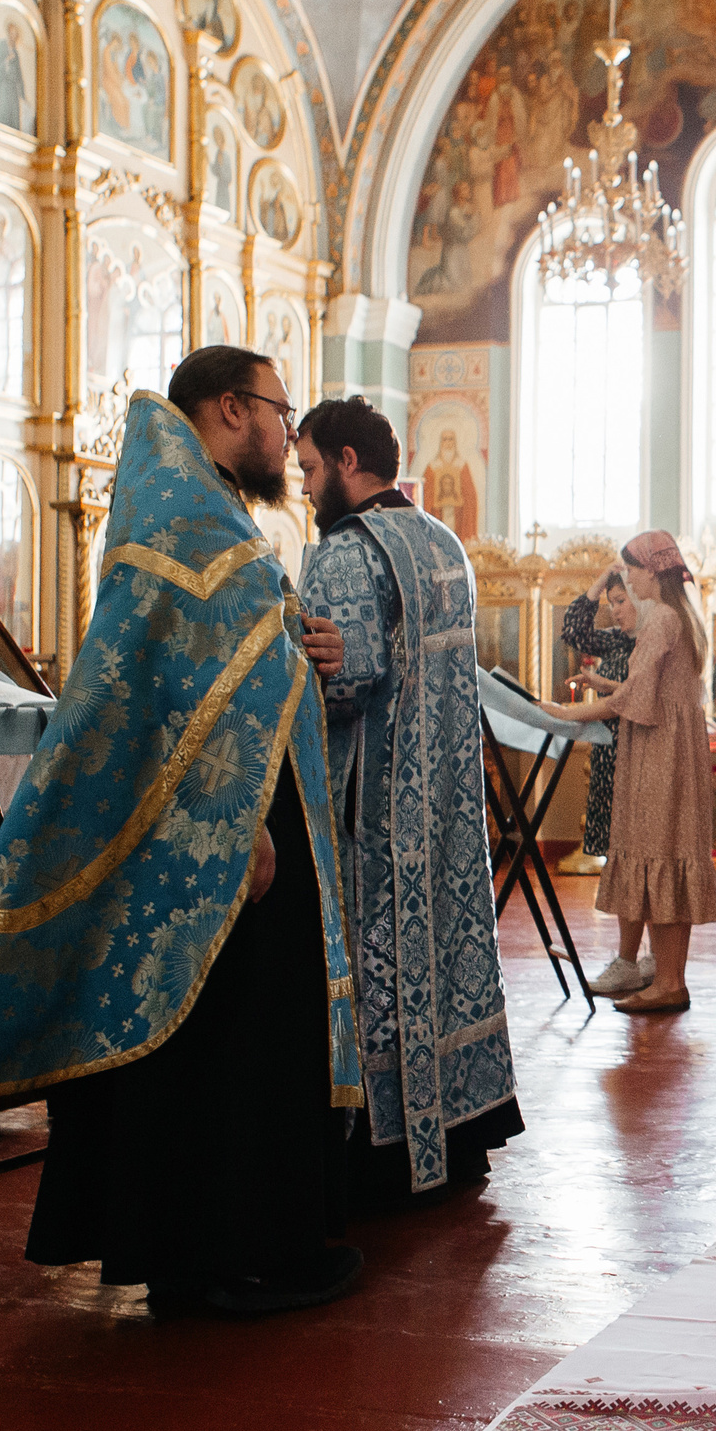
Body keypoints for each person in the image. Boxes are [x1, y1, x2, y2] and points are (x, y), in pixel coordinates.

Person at [0, 344, 366, 1317]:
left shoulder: (198, 509)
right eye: (279, 410)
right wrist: (238, 830)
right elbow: (175, 695)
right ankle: (219, 1260)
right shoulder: (183, 523)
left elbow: (221, 670)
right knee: (224, 1043)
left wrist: (298, 649)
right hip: (225, 835)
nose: (287, 431)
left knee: (237, 1036)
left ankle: (240, 1247)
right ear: (233, 408)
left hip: (238, 822)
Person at [297, 395, 524, 1199]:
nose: (307, 487)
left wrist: (287, 661)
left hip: (378, 818)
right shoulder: (444, 542)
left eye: (313, 469)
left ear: (349, 463)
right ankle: (461, 1135)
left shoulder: (343, 552)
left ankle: (383, 1150)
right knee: (452, 955)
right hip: (450, 807)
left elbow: (346, 682)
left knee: (377, 967)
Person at [540, 534, 716, 1015]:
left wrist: (564, 712)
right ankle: (669, 979)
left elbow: (632, 702)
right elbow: (651, 691)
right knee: (672, 852)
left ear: (652, 571)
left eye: (633, 570)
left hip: (657, 749)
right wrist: (604, 683)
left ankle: (668, 983)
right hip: (674, 745)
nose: (631, 580)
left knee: (658, 849)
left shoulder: (659, 617)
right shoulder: (682, 617)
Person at [555, 567, 636, 881]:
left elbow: (642, 697)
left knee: (635, 850)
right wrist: (602, 580)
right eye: (610, 603)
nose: (613, 610)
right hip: (607, 753)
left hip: (635, 750)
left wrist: (600, 682)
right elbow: (574, 632)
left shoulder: (652, 641)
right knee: (613, 857)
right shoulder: (617, 641)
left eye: (620, 601)